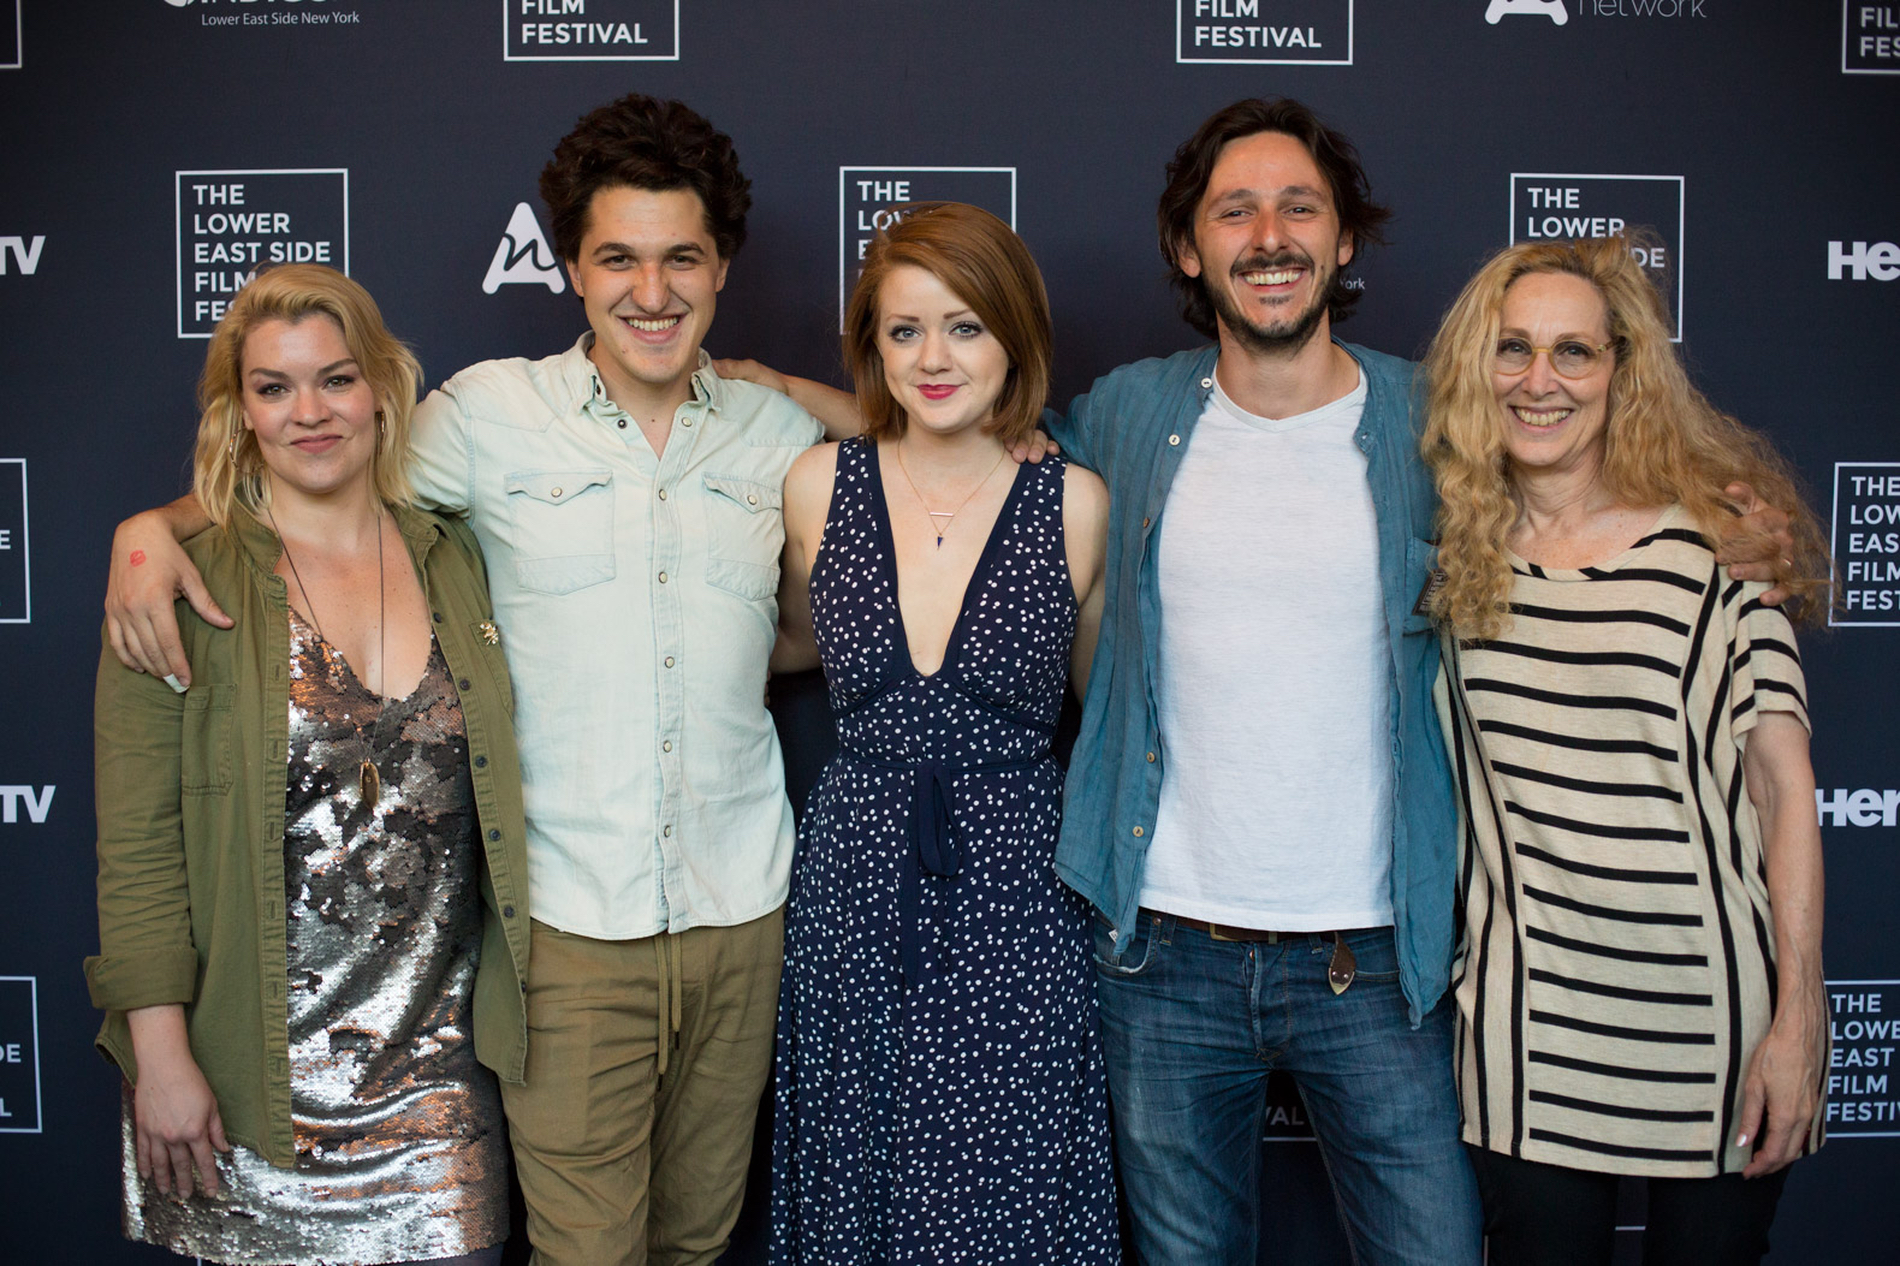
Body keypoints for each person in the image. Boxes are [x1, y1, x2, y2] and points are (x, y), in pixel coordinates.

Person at [723, 97, 1798, 1265]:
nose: (1269, 235)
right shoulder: (1131, 416)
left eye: (1299, 207)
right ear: (1190, 250)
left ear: (1344, 242)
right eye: (1234, 211)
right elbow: (955, 438)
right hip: (1161, 958)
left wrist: (1725, 505)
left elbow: (1585, 454)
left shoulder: (1431, 418)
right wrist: (764, 390)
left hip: (1379, 962)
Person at [101, 96, 826, 1266]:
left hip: (746, 913)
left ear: (722, 266)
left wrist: (783, 379)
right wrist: (156, 528)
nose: (652, 290)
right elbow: (319, 468)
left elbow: (911, 450)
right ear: (572, 270)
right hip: (571, 930)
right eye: (618, 259)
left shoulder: (776, 430)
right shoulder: (485, 417)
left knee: (699, 1243)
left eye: (681, 257)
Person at [85, 263, 529, 1266]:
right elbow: (140, 848)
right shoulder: (179, 587)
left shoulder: (458, 553)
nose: (308, 412)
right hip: (249, 1085)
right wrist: (160, 1058)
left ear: (380, 385)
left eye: (334, 379)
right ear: (239, 413)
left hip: (441, 1082)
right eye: (273, 388)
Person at [1421, 235, 1828, 1265]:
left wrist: (1797, 1015)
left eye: (1574, 352)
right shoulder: (1448, 556)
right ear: (1478, 368)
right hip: (1530, 1033)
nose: (1539, 381)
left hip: (1715, 1027)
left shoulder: (1723, 549)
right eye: (1512, 350)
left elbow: (1783, 789)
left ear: (1621, 370)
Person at [768, 202, 1117, 1263]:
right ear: (870, 345)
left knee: (1008, 1184)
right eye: (904, 329)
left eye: (964, 326)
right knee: (857, 1172)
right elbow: (787, 645)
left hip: (1017, 891)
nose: (933, 356)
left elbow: (1099, 709)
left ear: (1012, 336)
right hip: (854, 886)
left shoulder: (1075, 503)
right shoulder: (818, 485)